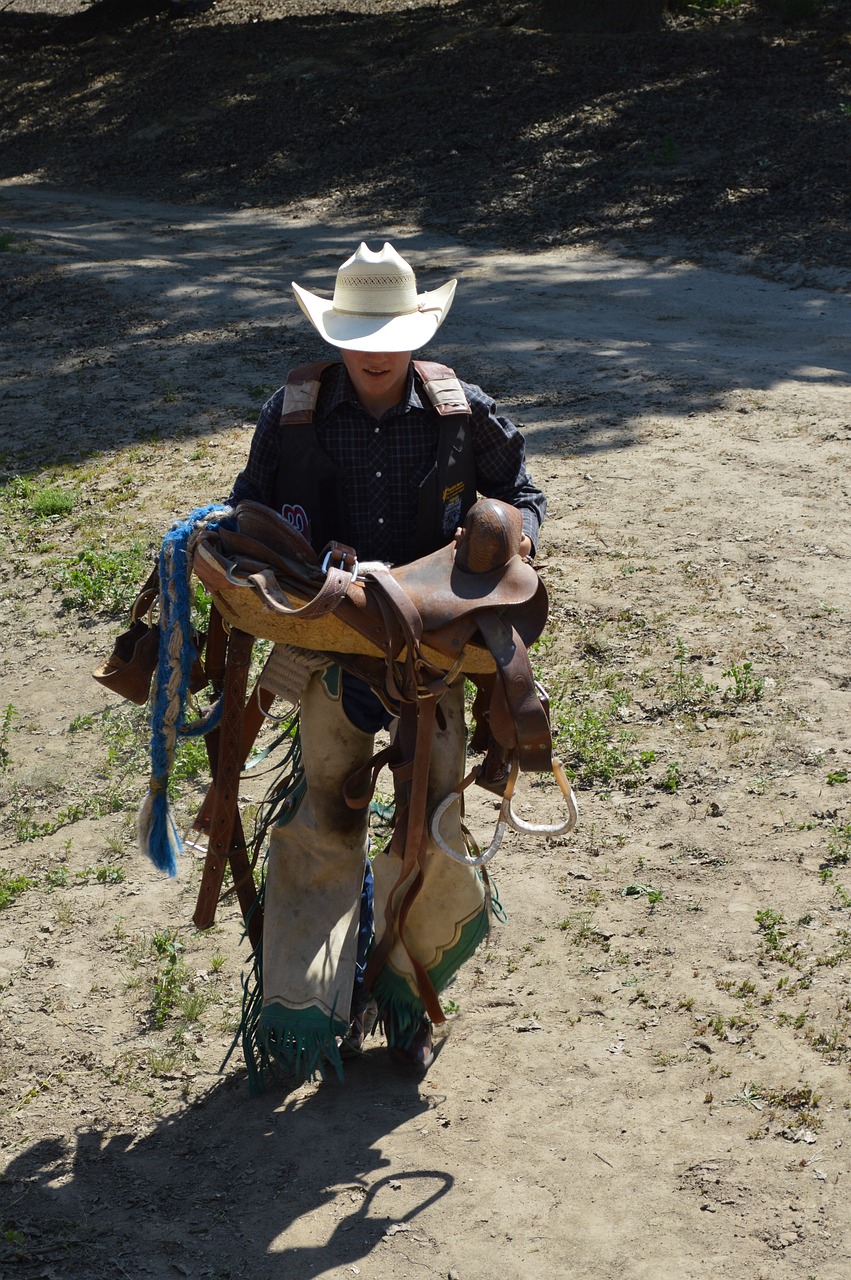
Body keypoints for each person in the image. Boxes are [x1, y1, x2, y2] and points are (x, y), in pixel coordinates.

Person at [229, 242, 546, 1085]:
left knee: (432, 819)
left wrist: (495, 546)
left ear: (416, 331)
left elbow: (523, 499)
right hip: (329, 640)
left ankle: (411, 999)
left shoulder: (459, 410)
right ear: (334, 333)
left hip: (431, 648)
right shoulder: (294, 412)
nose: (372, 351)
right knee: (320, 819)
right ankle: (305, 1011)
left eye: (389, 333)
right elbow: (245, 509)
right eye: (356, 333)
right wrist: (294, 555)